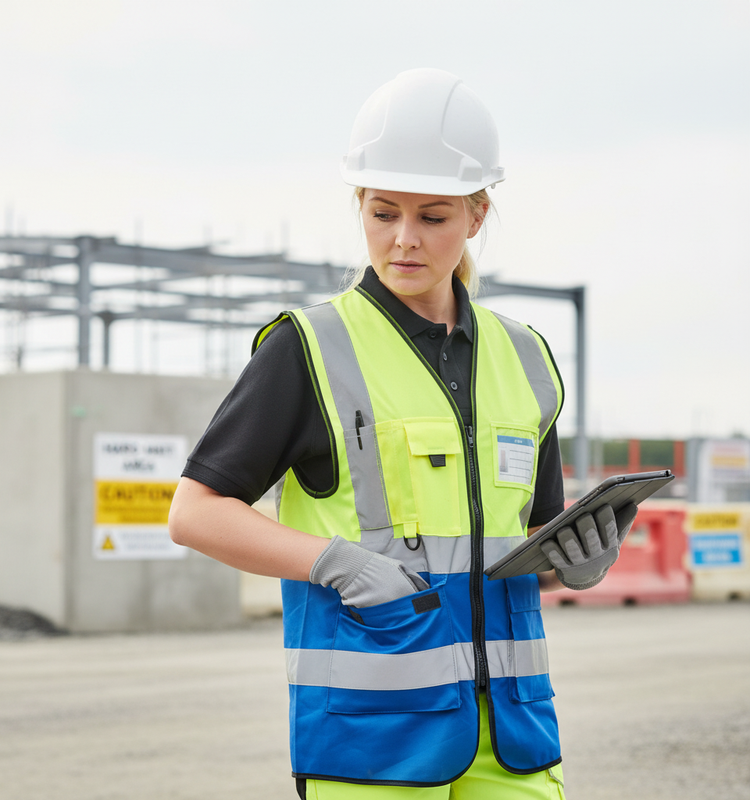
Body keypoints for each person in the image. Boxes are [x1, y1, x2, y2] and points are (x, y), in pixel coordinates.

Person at [169, 68, 637, 800]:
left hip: (513, 735)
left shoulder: (527, 359)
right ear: (359, 205)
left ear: (478, 214)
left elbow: (529, 536)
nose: (405, 240)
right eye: (383, 213)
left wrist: (576, 560)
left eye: (434, 216)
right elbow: (194, 511)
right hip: (372, 739)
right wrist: (336, 562)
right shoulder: (309, 348)